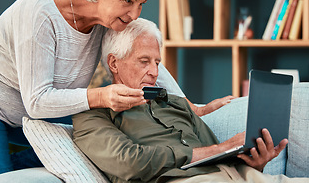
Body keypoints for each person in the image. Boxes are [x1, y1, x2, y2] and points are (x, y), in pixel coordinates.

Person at [0, 0, 187, 182]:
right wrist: (101, 96)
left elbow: (142, 59)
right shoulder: (40, 16)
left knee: (102, 140)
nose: (135, 14)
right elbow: (37, 102)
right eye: (128, 1)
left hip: (34, 107)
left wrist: (189, 109)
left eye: (141, 3)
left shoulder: (108, 19)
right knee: (0, 178)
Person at [72, 18, 308, 183]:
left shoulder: (175, 103)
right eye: (144, 61)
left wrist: (256, 162)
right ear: (114, 63)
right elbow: (128, 162)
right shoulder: (93, 113)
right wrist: (221, 148)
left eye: (157, 62)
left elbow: (217, 157)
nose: (154, 72)